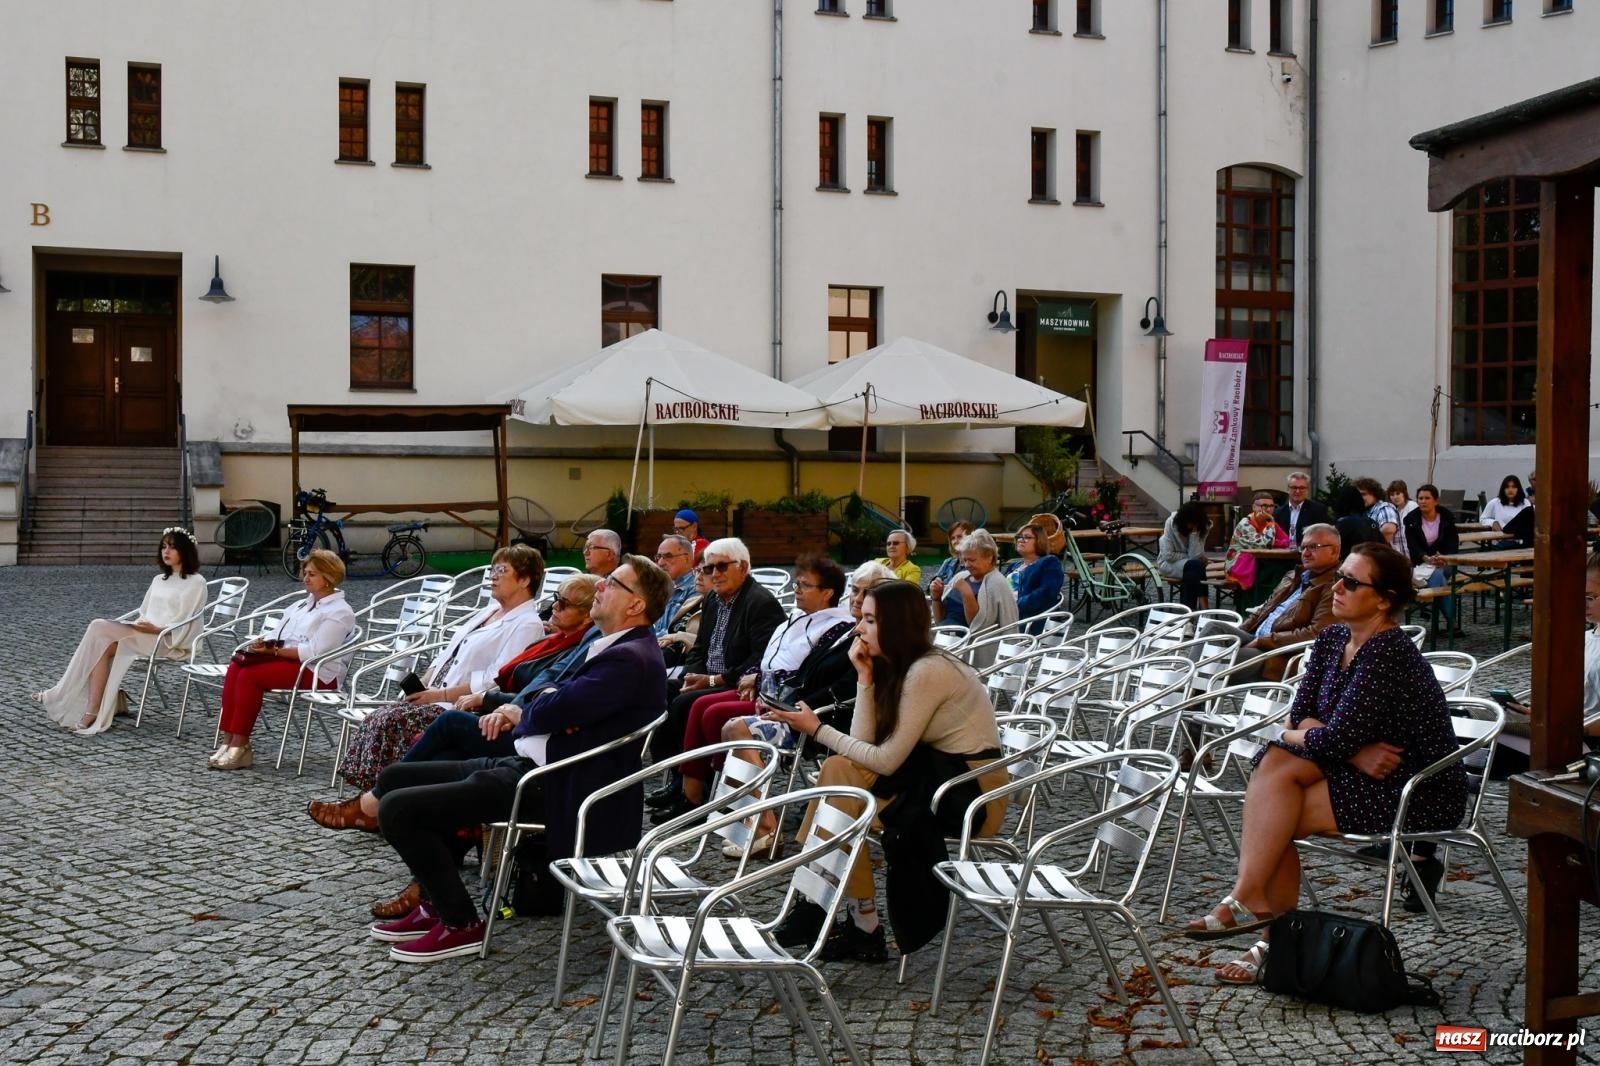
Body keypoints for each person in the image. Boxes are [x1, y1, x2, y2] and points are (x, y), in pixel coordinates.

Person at [366, 554, 672, 962]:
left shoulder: (629, 658)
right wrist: (542, 707)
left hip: (559, 784)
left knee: (399, 810)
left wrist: (535, 709)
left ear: (636, 605)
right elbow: (551, 703)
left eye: (613, 583)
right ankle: (435, 903)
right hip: (530, 764)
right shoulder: (614, 646)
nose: (600, 586)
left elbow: (550, 708)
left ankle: (461, 925)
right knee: (396, 778)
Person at [1185, 544, 1466, 983]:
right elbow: (1301, 716)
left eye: (1351, 582)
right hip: (1358, 770)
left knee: (1277, 804)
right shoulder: (1334, 637)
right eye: (1340, 576)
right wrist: (1349, 747)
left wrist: (1318, 738)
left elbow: (1321, 733)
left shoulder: (1387, 650)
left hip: (1414, 787)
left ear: (1384, 599)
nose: (1336, 587)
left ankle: (1263, 925)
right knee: (1277, 782)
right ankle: (1258, 916)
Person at [762, 580, 1005, 962]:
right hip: (928, 775)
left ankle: (845, 914)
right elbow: (863, 750)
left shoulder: (927, 670)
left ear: (898, 625)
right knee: (841, 772)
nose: (858, 628)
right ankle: (844, 915)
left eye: (870, 620)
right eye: (862, 618)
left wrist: (817, 730)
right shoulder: (897, 665)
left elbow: (885, 760)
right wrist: (864, 678)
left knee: (843, 793)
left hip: (969, 792)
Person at [304, 546, 549, 831]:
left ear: (525, 579)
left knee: (390, 722)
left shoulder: (527, 623)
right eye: (492, 570)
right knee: (381, 717)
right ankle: (378, 804)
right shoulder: (489, 611)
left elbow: (496, 678)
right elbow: (448, 651)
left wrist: (439, 695)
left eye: (501, 571)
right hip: (438, 692)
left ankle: (375, 806)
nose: (492, 577)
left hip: (464, 703)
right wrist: (427, 681)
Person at [657, 554, 855, 821]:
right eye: (796, 584)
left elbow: (804, 671)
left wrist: (755, 680)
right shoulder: (796, 616)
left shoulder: (835, 627)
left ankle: (713, 793)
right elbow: (767, 657)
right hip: (762, 690)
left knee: (712, 712)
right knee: (695, 703)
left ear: (827, 593)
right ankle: (690, 791)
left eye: (805, 586)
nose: (796, 590)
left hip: (787, 703)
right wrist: (752, 676)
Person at [721, 563, 897, 854]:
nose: (856, 597)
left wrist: (789, 709)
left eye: (867, 592)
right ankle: (749, 822)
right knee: (732, 723)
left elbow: (844, 691)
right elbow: (805, 674)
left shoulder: (870, 641)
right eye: (855, 589)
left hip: (825, 723)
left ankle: (763, 829)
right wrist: (775, 696)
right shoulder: (846, 632)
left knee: (736, 727)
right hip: (803, 711)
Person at [647, 538, 786, 802]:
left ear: (743, 567)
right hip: (709, 677)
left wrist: (711, 680)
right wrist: (691, 674)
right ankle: (675, 775)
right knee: (662, 691)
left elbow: (760, 658)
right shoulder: (713, 599)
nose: (714, 575)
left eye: (721, 567)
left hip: (737, 683)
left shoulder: (759, 603)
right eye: (709, 568)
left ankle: (694, 786)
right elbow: (700, 647)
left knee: (684, 704)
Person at [34, 526, 209, 735]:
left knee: (98, 626)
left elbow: (189, 623)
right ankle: (91, 711)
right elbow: (145, 612)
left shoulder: (196, 582)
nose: (166, 552)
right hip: (144, 634)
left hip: (168, 641)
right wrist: (142, 625)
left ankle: (59, 693)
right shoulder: (159, 580)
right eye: (163, 547)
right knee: (101, 644)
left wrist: (156, 629)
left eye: (172, 547)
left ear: (185, 550)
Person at [209, 548, 357, 770]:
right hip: (290, 663)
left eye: (312, 574)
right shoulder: (300, 605)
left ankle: (241, 745)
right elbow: (278, 634)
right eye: (305, 572)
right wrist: (264, 642)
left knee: (250, 675)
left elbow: (314, 652)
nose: (305, 577)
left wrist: (273, 652)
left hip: (318, 673)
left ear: (328, 578)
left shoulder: (339, 611)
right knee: (236, 666)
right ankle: (228, 740)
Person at [1209, 524, 1341, 682]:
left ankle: (1187, 695)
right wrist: (1241, 633)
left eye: (1313, 547)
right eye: (1303, 547)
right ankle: (1190, 695)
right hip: (1255, 638)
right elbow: (1264, 609)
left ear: (1334, 551)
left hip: (1277, 654)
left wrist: (1263, 641)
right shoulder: (1293, 575)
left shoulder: (1334, 587)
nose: (1305, 553)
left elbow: (1315, 634)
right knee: (1213, 628)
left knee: (1212, 661)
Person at [1503, 551, 1600, 747]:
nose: (1582, 604)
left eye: (1590, 597)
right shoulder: (1584, 639)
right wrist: (1539, 714)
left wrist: (1558, 725)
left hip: (1582, 742)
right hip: (1566, 731)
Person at [936, 529, 1017, 664]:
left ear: (989, 557)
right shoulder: (961, 576)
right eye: (964, 560)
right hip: (944, 640)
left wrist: (966, 593)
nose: (967, 565)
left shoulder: (997, 583)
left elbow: (978, 625)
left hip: (970, 649)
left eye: (972, 560)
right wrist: (936, 597)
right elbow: (939, 618)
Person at [1403, 484, 1462, 636]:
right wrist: (1426, 557)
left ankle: (1428, 602)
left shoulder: (1447, 518)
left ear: (1436, 501)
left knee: (1440, 572)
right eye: (1420, 498)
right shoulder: (1411, 520)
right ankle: (1451, 623)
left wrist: (1443, 557)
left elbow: (1452, 544)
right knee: (1438, 577)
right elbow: (1413, 546)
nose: (1423, 501)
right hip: (1420, 563)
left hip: (1444, 561)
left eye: (1427, 498)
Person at [1223, 492, 1291, 591]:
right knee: (1274, 570)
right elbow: (1263, 545)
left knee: (1282, 568)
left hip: (1259, 562)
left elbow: (1286, 541)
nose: (1268, 509)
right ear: (1254, 507)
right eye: (1264, 506)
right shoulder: (1245, 524)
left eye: (1271, 506)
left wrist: (1273, 543)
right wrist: (1270, 524)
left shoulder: (1270, 523)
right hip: (1237, 566)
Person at [1004, 521, 1065, 630]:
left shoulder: (1049, 562)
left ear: (1039, 541)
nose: (1021, 540)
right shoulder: (1014, 566)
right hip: (1008, 617)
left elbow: (1046, 592)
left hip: (1032, 621)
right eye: (1019, 536)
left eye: (1027, 537)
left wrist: (1015, 606)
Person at [1158, 500, 1212, 609]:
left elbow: (1195, 555)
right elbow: (1168, 555)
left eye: (1194, 522)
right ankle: (1204, 610)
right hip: (1169, 564)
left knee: (1192, 573)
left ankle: (1189, 616)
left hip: (1190, 567)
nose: (1190, 525)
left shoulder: (1203, 527)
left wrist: (1194, 533)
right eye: (1189, 521)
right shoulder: (1172, 523)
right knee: (1197, 565)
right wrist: (1188, 557)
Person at [652, 534, 698, 637]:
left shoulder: (697, 588)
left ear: (687, 559)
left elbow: (680, 632)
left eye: (668, 556)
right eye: (659, 557)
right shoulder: (660, 587)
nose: (660, 562)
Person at [1355, 477, 1407, 560]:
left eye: (1363, 494)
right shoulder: (1367, 511)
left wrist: (1367, 547)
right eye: (1357, 495)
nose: (1359, 498)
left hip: (1393, 563)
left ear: (1375, 494)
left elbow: (1389, 530)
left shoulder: (1383, 507)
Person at [1275, 472, 1330, 547]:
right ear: (1288, 489)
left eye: (1302, 488)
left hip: (1307, 554)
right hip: (1282, 555)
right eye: (1294, 487)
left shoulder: (1318, 510)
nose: (1298, 491)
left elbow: (1323, 536)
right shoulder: (1279, 512)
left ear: (1307, 490)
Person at [1481, 474, 1534, 548]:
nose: (1510, 490)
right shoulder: (1495, 502)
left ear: (1518, 489)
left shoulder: (1525, 503)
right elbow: (1483, 518)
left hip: (1522, 540)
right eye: (1507, 487)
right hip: (1504, 539)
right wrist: (1493, 522)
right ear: (1503, 489)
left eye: (1514, 487)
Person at [926, 520, 973, 601]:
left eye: (960, 537)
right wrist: (934, 584)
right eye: (952, 538)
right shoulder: (948, 562)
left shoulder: (974, 564)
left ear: (970, 538)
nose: (955, 541)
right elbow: (930, 588)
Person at [1333, 484, 1382, 560]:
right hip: (1371, 563)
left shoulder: (1344, 523)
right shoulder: (1372, 522)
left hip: (1351, 564)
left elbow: (1333, 546)